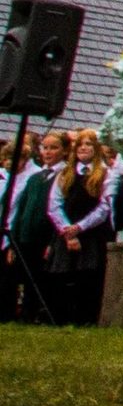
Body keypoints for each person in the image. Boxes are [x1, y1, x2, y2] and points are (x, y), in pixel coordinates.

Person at [39, 134, 114, 326]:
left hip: (92, 233)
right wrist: (67, 230)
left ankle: (85, 320)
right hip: (65, 233)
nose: (83, 148)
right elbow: (54, 204)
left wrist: (80, 227)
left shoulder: (106, 174)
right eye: (79, 144)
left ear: (96, 148)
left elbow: (104, 207)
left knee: (87, 277)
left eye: (88, 144)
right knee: (62, 276)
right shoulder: (65, 173)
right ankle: (59, 319)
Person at [5, 131, 62, 323]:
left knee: (39, 279)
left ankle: (38, 315)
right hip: (24, 236)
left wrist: (52, 241)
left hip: (44, 237)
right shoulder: (35, 178)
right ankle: (19, 315)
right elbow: (21, 210)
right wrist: (13, 239)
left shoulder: (62, 176)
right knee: (19, 276)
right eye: (45, 148)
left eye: (53, 148)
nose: (47, 152)